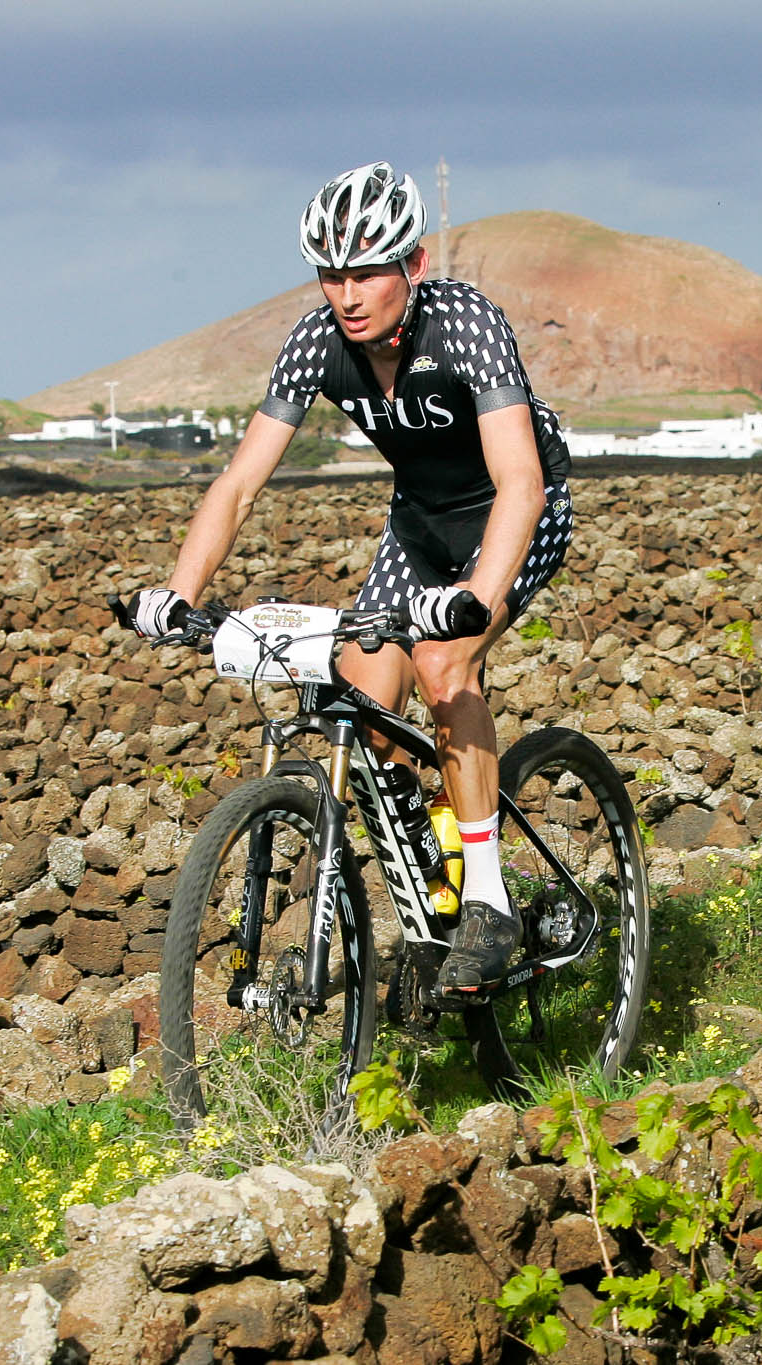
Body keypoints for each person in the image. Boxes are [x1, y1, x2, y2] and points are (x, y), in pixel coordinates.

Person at [125, 161, 574, 992]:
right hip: (419, 528)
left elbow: (522, 481)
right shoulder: (316, 344)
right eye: (331, 274)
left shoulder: (466, 325)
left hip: (514, 517)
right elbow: (239, 482)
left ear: (415, 264)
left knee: (444, 665)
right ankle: (429, 892)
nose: (347, 293)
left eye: (366, 271)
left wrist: (476, 599)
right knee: (367, 703)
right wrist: (179, 593)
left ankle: (487, 899)